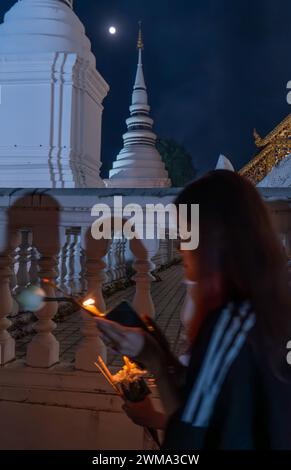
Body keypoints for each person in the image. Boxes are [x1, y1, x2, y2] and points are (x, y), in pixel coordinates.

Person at [96, 170, 291, 450]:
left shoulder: (234, 322)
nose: (179, 247)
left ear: (215, 239)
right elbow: (203, 414)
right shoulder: (269, 305)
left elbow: (186, 441)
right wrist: (152, 354)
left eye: (186, 233)